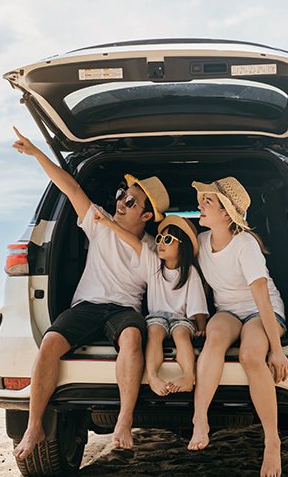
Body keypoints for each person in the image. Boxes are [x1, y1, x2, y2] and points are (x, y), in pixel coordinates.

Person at [10, 126, 170, 456]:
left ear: (146, 215)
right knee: (50, 343)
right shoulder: (99, 222)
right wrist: (37, 152)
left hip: (124, 310)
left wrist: (109, 224)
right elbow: (68, 187)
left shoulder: (154, 248)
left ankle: (124, 421)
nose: (120, 201)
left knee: (131, 338)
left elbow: (139, 250)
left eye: (130, 199)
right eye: (121, 194)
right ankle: (35, 426)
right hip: (87, 305)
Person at [187, 177, 288, 477]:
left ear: (226, 214)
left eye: (208, 201)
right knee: (215, 338)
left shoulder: (245, 245)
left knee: (250, 355)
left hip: (262, 310)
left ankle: (272, 442)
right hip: (228, 311)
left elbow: (262, 300)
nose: (199, 205)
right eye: (202, 200)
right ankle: (200, 419)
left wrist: (278, 350)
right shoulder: (202, 242)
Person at [92, 209, 208, 396]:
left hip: (181, 319)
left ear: (182, 246)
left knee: (181, 334)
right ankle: (152, 376)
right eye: (160, 238)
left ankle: (188, 375)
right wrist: (109, 223)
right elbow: (135, 243)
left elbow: (197, 306)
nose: (161, 242)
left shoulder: (190, 273)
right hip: (157, 318)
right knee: (154, 331)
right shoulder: (154, 264)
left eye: (168, 240)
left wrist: (201, 327)